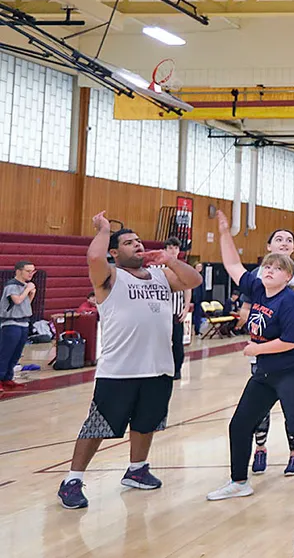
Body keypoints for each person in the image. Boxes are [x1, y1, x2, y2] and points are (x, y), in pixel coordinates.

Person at [206, 211, 294, 510]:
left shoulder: (289, 302)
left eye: (277, 268)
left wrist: (255, 349)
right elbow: (233, 264)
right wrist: (224, 233)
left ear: (288, 277)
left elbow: (291, 341)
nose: (270, 270)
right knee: (240, 424)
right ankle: (239, 482)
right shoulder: (258, 287)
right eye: (267, 266)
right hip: (267, 372)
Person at [57, 212, 203, 510]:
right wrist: (104, 230)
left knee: (146, 421)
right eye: (128, 242)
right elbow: (94, 257)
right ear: (115, 252)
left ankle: (137, 469)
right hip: (119, 369)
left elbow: (194, 279)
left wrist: (169, 259)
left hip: (159, 366)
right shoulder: (109, 276)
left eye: (138, 241)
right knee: (97, 426)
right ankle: (72, 480)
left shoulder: (161, 275)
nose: (137, 245)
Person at [239, 228, 294, 479]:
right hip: (263, 351)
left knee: (292, 407)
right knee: (259, 407)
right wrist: (254, 317)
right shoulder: (256, 276)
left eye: (289, 240)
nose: (284, 243)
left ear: (293, 248)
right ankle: (260, 448)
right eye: (279, 239)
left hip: (291, 351)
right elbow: (244, 311)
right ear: (268, 246)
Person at [1, 260, 38, 392]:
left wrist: (31, 294)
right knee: (5, 352)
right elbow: (16, 300)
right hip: (11, 323)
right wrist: (28, 289)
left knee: (16, 353)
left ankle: (7, 378)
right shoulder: (11, 285)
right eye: (28, 271)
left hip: (24, 322)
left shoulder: (24, 285)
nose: (31, 274)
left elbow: (25, 304)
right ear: (18, 271)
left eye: (33, 271)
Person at [163, 238, 189, 380]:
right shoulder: (158, 267)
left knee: (177, 342)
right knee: (161, 342)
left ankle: (177, 369)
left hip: (176, 312)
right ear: (165, 249)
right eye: (170, 247)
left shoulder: (183, 267)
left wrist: (186, 308)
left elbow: (188, 288)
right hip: (161, 312)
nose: (173, 250)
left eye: (175, 248)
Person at [190, 263, 207, 335]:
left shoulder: (202, 277)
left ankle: (197, 330)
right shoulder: (191, 276)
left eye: (201, 267)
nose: (200, 268)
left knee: (198, 315)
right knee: (190, 315)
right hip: (193, 299)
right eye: (198, 266)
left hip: (199, 299)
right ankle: (189, 331)